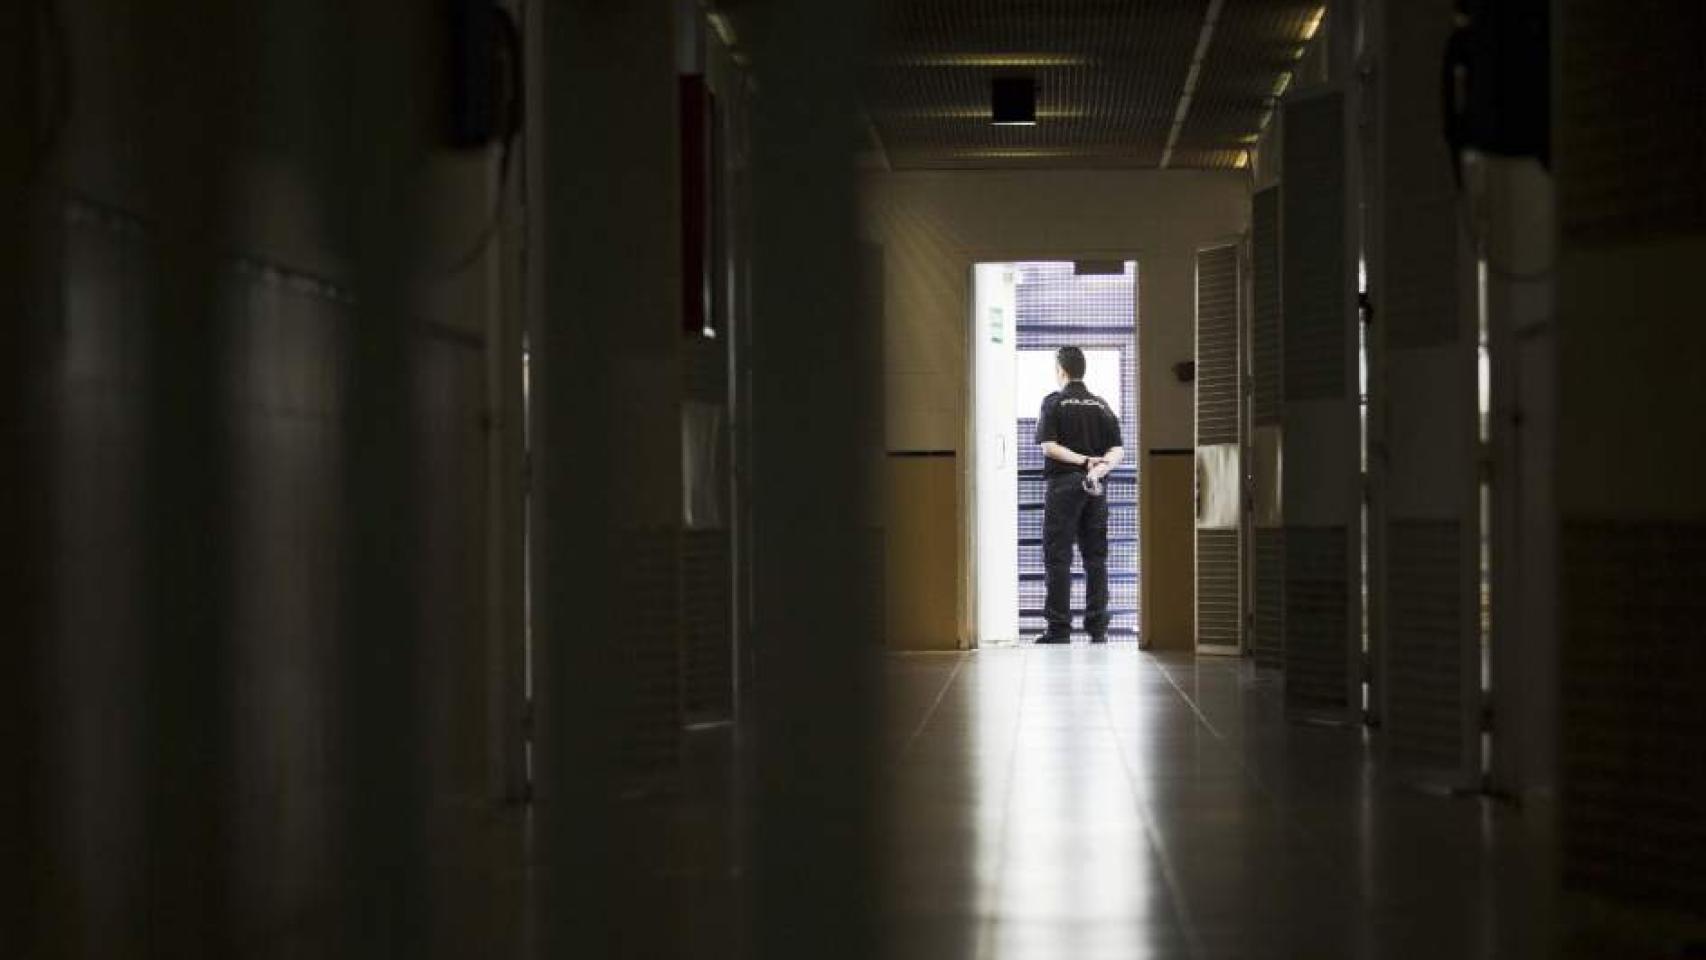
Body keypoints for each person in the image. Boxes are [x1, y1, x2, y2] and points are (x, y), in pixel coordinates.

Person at [1033, 346, 1124, 644]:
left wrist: (1083, 462)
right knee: (1095, 557)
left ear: (1061, 370)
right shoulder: (1101, 405)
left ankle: (1059, 629)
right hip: (1095, 487)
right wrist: (1099, 468)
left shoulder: (1054, 402)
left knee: (1058, 557)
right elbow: (1118, 449)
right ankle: (1098, 627)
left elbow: (1049, 446)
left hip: (1064, 486)